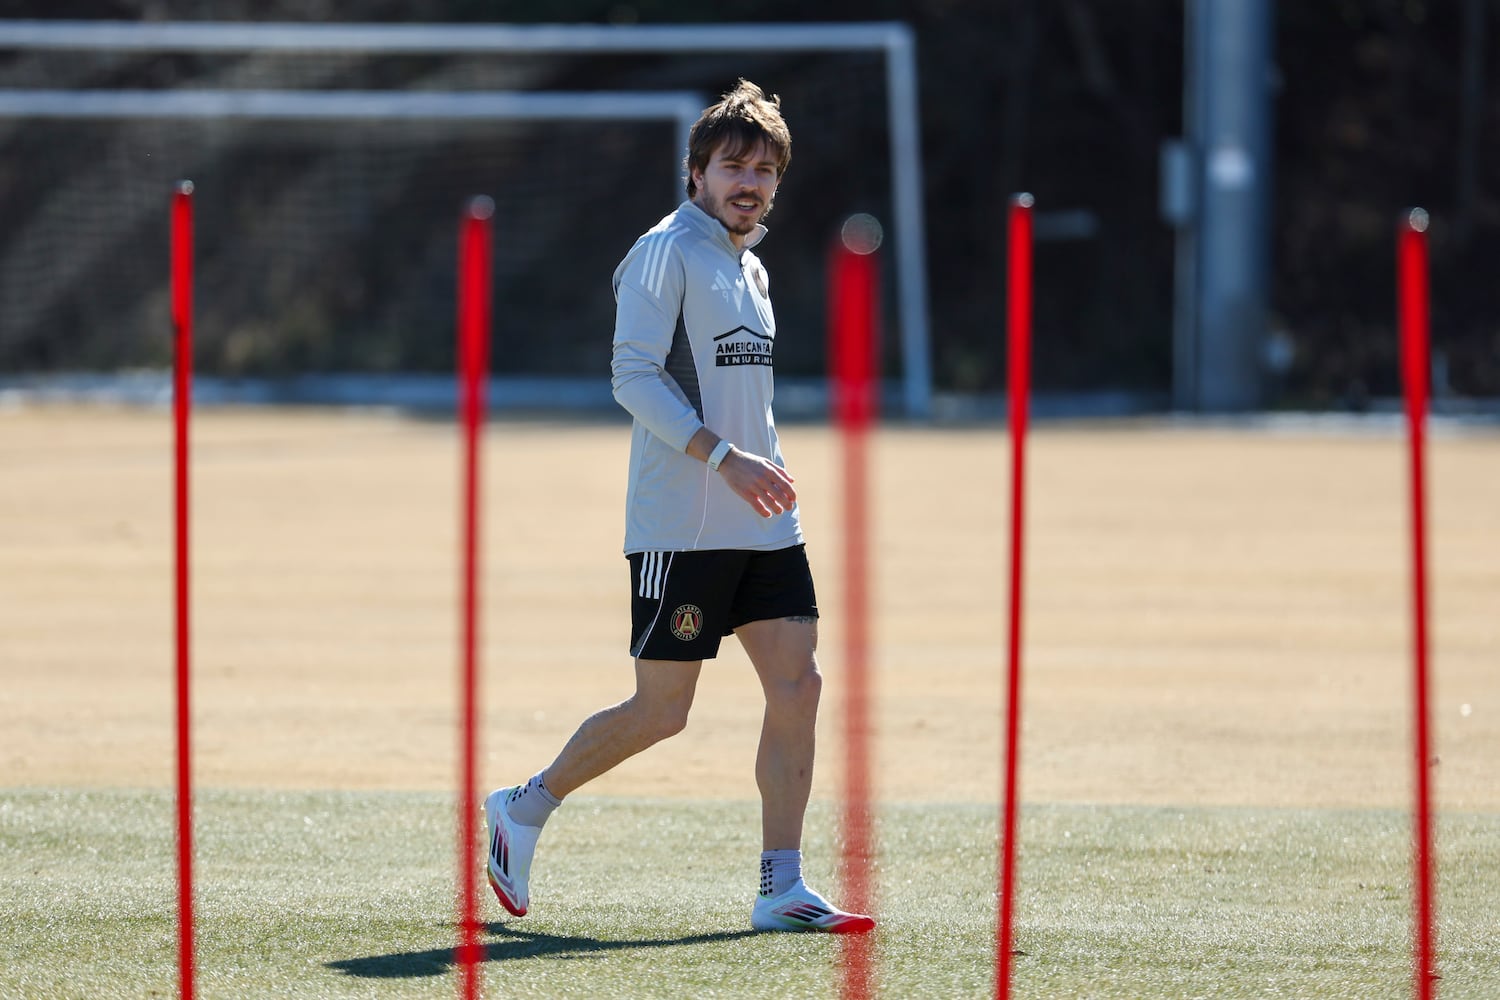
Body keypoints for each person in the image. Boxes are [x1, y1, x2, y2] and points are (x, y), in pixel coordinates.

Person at [483, 79, 874, 935]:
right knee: (663, 711)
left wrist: (756, 467)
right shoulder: (665, 250)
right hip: (682, 524)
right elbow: (632, 375)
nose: (751, 182)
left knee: (799, 686)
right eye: (735, 165)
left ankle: (782, 887)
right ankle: (523, 806)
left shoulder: (753, 264)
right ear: (697, 171)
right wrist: (722, 458)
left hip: (765, 519)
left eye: (766, 170)